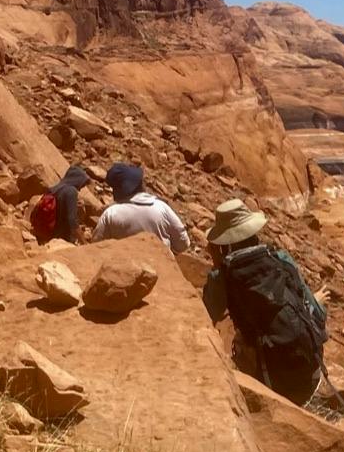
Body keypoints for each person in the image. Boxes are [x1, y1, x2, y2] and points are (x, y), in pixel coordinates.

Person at [201, 200, 329, 405]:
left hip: (273, 384)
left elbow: (205, 318)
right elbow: (317, 314)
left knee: (239, 340)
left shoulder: (222, 277)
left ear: (223, 244)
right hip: (311, 374)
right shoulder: (280, 259)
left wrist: (218, 266)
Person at [92, 162, 191, 253]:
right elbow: (183, 244)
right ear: (141, 185)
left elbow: (96, 246)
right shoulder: (161, 208)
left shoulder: (111, 214)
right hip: (161, 268)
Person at [31, 164, 93, 244]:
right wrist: (84, 242)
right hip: (62, 238)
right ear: (77, 179)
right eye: (83, 183)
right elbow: (72, 220)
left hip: (48, 234)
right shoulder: (71, 191)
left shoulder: (55, 188)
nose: (81, 188)